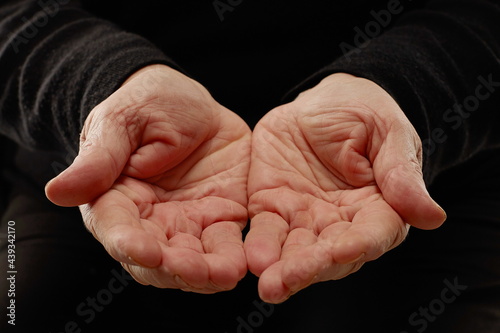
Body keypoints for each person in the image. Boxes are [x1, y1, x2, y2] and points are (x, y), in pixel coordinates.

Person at [1, 0, 499, 332]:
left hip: (391, 176)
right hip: (115, 170)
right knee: (19, 306)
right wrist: (103, 84)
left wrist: (401, 89)